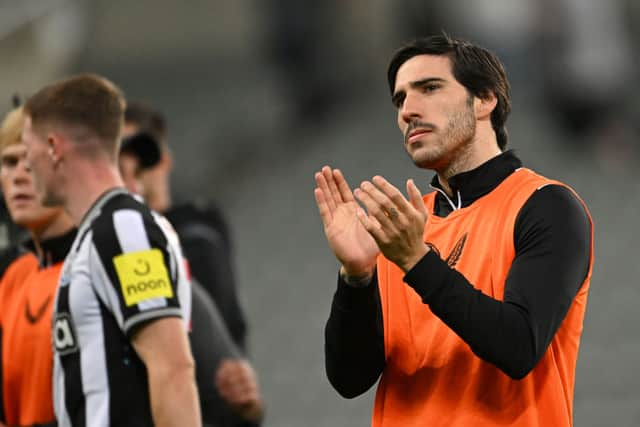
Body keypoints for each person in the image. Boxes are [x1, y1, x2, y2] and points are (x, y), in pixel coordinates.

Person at [314, 34, 593, 427]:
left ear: (484, 99)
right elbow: (349, 379)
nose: (408, 110)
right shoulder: (401, 229)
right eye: (399, 100)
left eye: (428, 88)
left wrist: (416, 261)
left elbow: (518, 346)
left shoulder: (546, 205)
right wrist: (356, 277)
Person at [21, 74, 201, 426]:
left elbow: (173, 368)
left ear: (55, 148)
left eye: (28, 151)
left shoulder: (123, 230)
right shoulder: (98, 235)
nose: (27, 166)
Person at [120, 102, 263, 427]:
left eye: (141, 159)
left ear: (164, 159)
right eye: (120, 163)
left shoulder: (194, 241)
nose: (133, 173)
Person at [0, 107, 76, 427]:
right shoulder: (13, 278)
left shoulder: (103, 263)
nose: (19, 175)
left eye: (30, 161)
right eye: (9, 162)